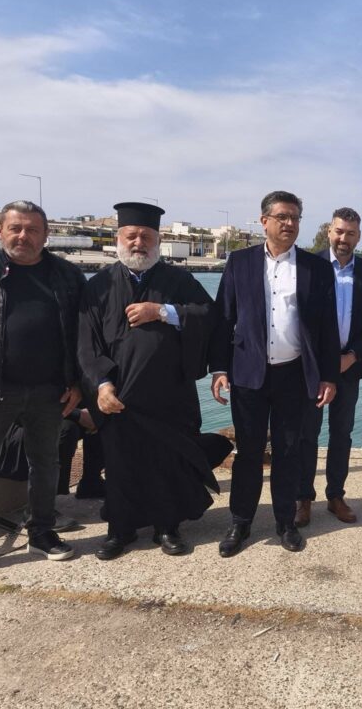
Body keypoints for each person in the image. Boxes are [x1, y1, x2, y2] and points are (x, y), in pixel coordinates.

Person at [80, 202, 224, 560]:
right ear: (119, 239)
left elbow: (210, 315)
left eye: (146, 237)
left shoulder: (178, 280)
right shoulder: (99, 286)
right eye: (132, 236)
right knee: (120, 465)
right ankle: (120, 530)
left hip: (169, 394)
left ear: (158, 241)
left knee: (166, 464)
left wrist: (162, 311)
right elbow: (86, 341)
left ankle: (167, 527)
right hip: (118, 395)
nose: (138, 243)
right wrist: (101, 384)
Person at [0, 201, 85, 585]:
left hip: (50, 390)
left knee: (46, 463)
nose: (23, 236)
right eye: (15, 228)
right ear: (0, 231)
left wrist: (79, 383)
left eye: (32, 229)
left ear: (46, 235)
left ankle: (42, 531)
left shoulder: (67, 276)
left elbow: (83, 335)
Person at [210, 191, 338, 556]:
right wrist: (219, 368)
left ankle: (285, 522)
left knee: (288, 450)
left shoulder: (316, 268)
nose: (290, 223)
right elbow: (224, 318)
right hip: (248, 374)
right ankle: (240, 522)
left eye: (295, 217)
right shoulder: (240, 262)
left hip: (294, 375)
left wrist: (328, 376)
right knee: (248, 452)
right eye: (282, 216)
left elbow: (327, 328)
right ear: (264, 220)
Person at [295, 207, 362, 525]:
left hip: (348, 366)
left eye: (351, 233)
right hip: (312, 366)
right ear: (329, 232)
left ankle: (335, 496)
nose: (344, 238)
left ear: (359, 237)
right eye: (339, 231)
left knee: (342, 434)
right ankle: (303, 497)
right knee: (307, 433)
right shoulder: (307, 266)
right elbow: (297, 317)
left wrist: (354, 354)